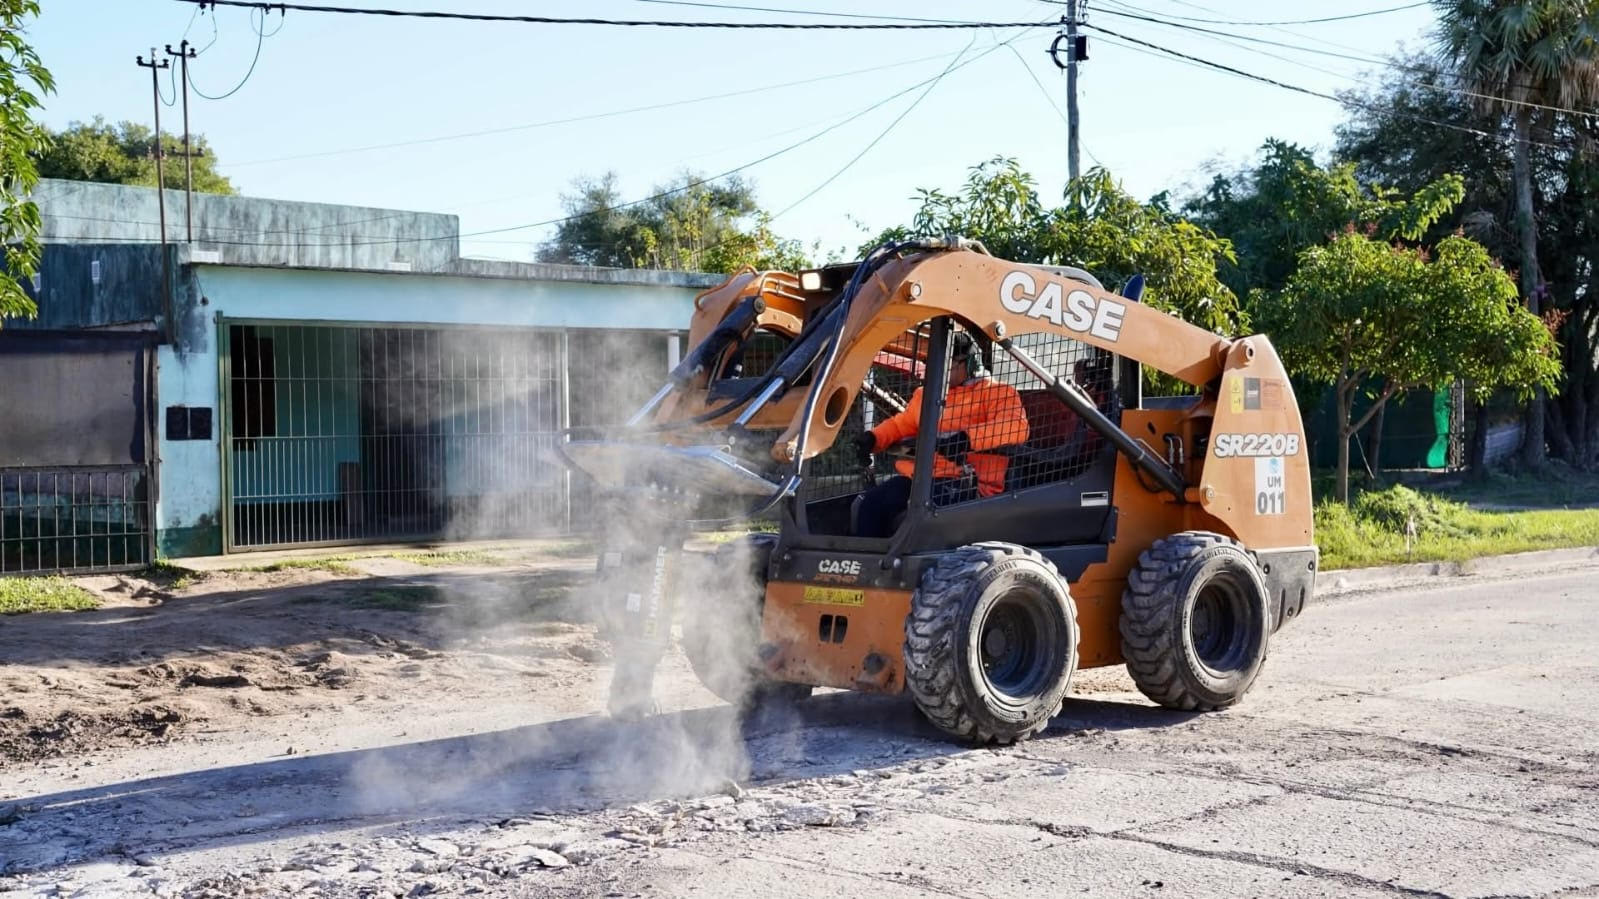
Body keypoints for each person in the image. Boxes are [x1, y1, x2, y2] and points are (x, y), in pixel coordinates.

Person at [851, 330, 1029, 538]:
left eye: (947, 366)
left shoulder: (999, 393)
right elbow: (902, 425)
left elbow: (1016, 427)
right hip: (920, 479)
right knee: (871, 505)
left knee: (920, 519)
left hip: (967, 485)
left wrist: (966, 440)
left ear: (969, 363)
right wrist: (874, 438)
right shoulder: (927, 395)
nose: (936, 373)